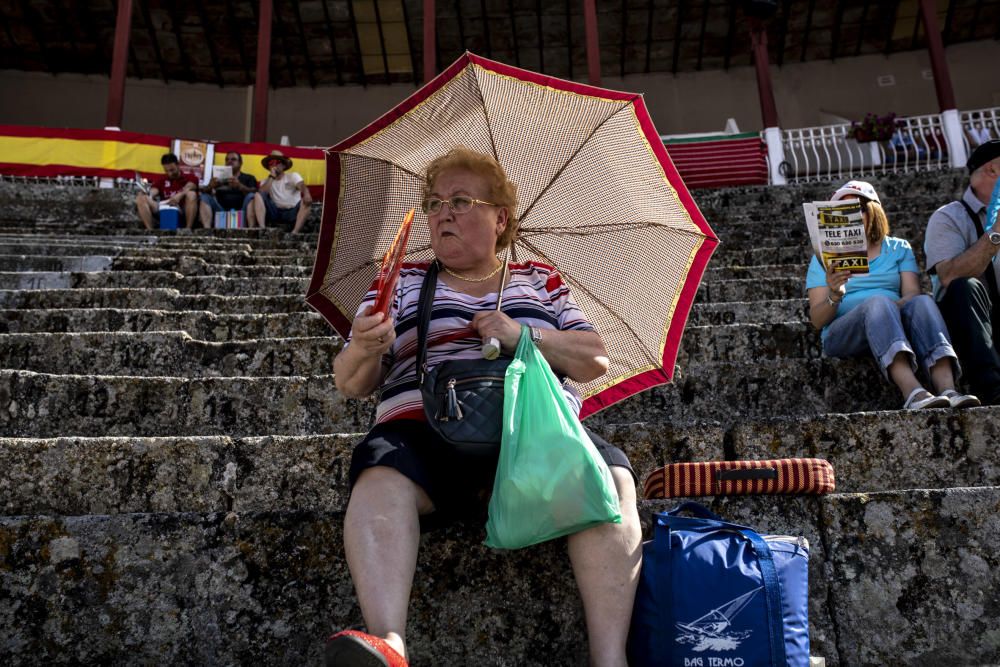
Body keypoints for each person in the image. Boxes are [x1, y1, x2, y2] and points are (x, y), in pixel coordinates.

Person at [325, 147, 642, 666]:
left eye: (460, 200)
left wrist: (524, 334)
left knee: (611, 479)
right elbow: (350, 382)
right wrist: (364, 346)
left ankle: (610, 659)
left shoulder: (540, 280)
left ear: (500, 218)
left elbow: (594, 358)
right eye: (433, 203)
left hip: (534, 433)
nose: (441, 212)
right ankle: (389, 644)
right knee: (380, 472)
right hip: (424, 433)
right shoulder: (401, 282)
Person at [806, 180, 978, 410]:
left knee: (923, 301)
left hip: (891, 322)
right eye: (841, 210)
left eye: (857, 208)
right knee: (877, 302)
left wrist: (885, 312)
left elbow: (911, 294)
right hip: (843, 334)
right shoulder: (822, 258)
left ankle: (948, 388)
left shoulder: (898, 248)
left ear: (873, 212)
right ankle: (913, 392)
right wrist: (835, 294)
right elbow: (817, 321)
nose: (850, 216)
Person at [924, 140, 1000, 405]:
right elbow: (949, 276)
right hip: (970, 324)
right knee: (963, 286)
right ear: (992, 170)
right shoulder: (948, 218)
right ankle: (992, 390)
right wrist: (996, 232)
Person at [246, 149, 312, 233]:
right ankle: (262, 229)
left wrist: (307, 194)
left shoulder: (292, 176)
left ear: (284, 166)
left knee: (306, 203)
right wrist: (272, 177)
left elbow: (302, 186)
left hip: (292, 211)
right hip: (275, 212)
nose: (274, 165)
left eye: (277, 162)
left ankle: (294, 232)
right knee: (255, 197)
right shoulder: (266, 181)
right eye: (271, 163)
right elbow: (261, 193)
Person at [135, 153, 199, 230]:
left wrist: (178, 196)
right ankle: (150, 230)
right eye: (166, 170)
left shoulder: (190, 177)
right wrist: (148, 193)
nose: (169, 173)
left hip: (183, 211)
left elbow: (190, 186)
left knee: (191, 194)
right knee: (141, 197)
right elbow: (154, 191)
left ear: (178, 165)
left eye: (172, 170)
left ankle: (188, 229)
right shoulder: (162, 179)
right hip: (165, 210)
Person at [198, 151, 257, 227]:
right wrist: (210, 186)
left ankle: (251, 230)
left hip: (242, 211)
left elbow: (255, 192)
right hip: (220, 212)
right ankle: (207, 231)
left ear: (240, 163)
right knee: (205, 197)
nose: (229, 161)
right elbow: (203, 192)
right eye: (227, 159)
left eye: (233, 159)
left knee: (251, 196)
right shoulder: (218, 178)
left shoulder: (249, 178)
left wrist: (240, 186)